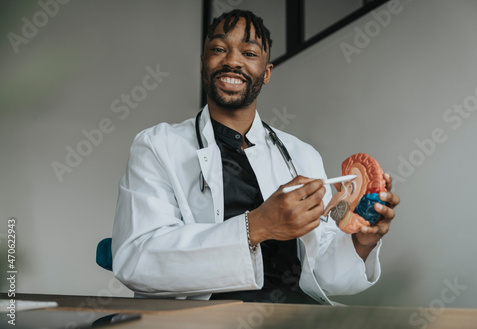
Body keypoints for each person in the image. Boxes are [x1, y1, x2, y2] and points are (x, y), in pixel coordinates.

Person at [111, 9, 400, 305]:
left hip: (294, 316)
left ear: (266, 72)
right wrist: (257, 226)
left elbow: (321, 273)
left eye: (249, 53)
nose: (232, 61)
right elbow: (138, 259)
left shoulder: (301, 155)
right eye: (219, 49)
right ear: (202, 64)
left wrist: (360, 242)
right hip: (209, 316)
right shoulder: (158, 146)